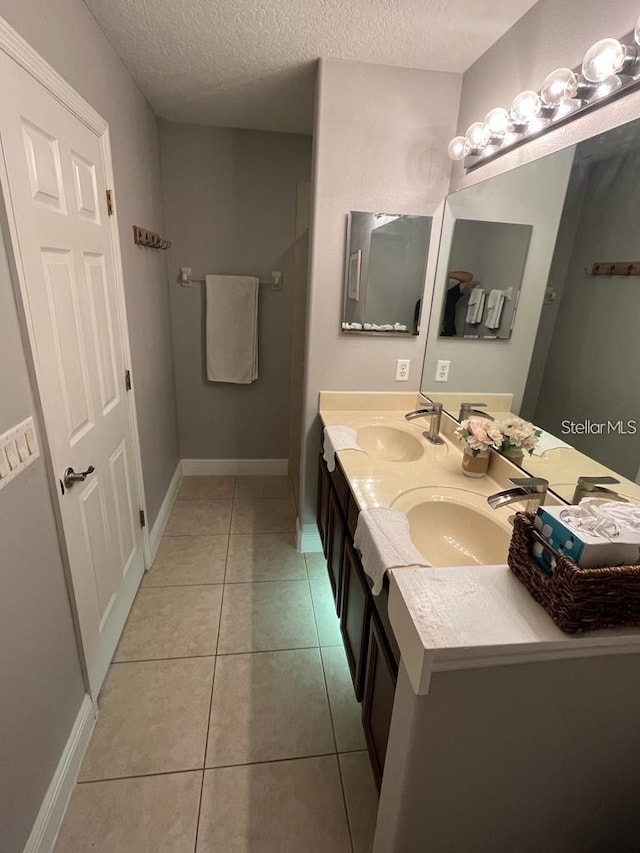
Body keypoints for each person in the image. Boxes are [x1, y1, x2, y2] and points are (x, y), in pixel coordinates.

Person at [441, 269, 473, 336]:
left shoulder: (449, 296)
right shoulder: (422, 302)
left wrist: (445, 275)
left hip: (448, 338)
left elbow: (468, 277)